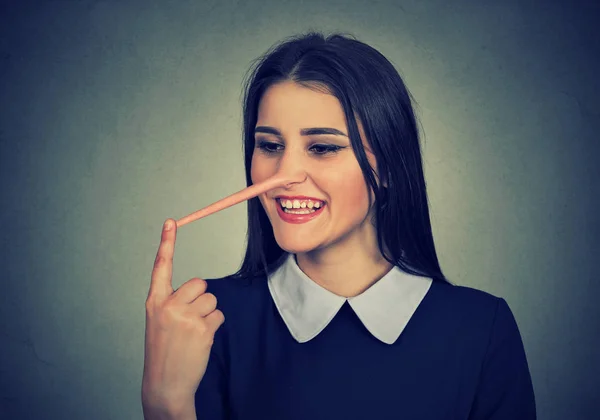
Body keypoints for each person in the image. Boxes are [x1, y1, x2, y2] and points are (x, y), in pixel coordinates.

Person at [142, 32, 537, 420]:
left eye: (323, 147)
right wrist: (165, 405)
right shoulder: (203, 323)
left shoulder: (481, 330)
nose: (283, 175)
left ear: (389, 168)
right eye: (270, 146)